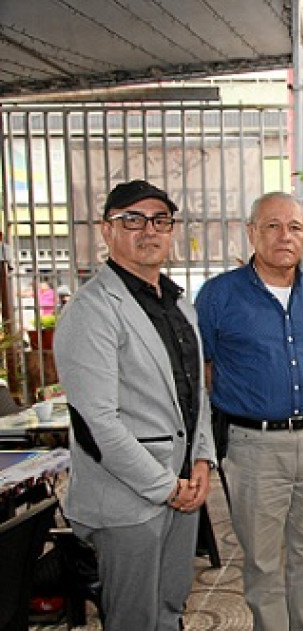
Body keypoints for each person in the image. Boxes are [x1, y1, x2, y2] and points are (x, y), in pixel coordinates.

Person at [53, 179, 216, 630]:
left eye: (160, 220)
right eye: (133, 220)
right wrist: (166, 485)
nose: (149, 230)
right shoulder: (91, 310)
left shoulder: (181, 307)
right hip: (127, 500)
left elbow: (196, 395)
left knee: (168, 610)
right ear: (107, 231)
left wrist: (202, 460)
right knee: (133, 620)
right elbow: (96, 423)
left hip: (183, 487)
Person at [195, 192, 303, 631]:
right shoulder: (220, 295)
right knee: (261, 556)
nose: (285, 236)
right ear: (252, 232)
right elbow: (201, 367)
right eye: (273, 226)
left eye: (295, 227)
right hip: (253, 444)